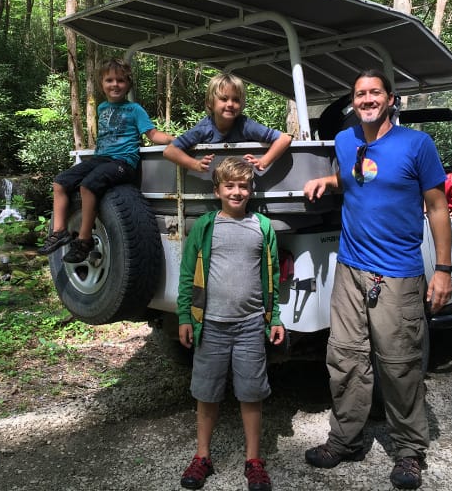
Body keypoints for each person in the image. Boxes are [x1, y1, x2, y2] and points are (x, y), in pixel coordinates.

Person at [302, 69, 452, 490]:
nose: (367, 99)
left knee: (400, 363)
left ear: (390, 99)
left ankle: (409, 451)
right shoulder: (346, 140)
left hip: (398, 273)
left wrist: (443, 270)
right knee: (346, 357)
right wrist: (326, 180)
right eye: (359, 94)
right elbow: (359, 179)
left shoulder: (417, 145)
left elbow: (437, 207)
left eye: (374, 92)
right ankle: (346, 439)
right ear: (354, 102)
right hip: (350, 267)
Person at [177, 157, 286, 491]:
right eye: (230, 186)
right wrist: (185, 316)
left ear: (251, 189)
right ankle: (202, 456)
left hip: (251, 325)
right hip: (210, 325)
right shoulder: (205, 226)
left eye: (243, 186)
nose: (237, 192)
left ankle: (254, 460)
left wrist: (275, 317)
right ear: (218, 190)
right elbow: (187, 275)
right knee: (206, 393)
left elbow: (274, 276)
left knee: (251, 393)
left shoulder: (263, 227)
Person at [38, 58, 174, 261]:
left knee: (89, 185)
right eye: (109, 80)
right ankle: (59, 232)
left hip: (123, 162)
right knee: (60, 182)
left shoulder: (135, 109)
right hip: (101, 158)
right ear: (102, 84)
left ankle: (84, 240)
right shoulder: (101, 108)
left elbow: (153, 135)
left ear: (128, 84)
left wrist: (177, 140)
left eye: (120, 80)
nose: (115, 84)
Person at [163, 73, 291, 173]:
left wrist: (263, 161)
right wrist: (195, 164)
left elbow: (284, 139)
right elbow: (170, 151)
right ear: (210, 103)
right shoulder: (204, 128)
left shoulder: (245, 125)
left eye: (235, 99)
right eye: (224, 99)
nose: (230, 104)